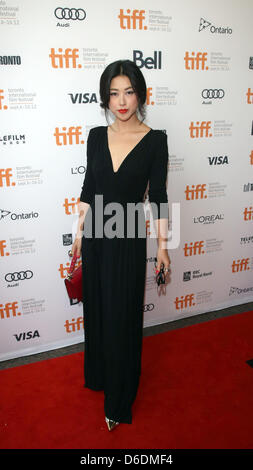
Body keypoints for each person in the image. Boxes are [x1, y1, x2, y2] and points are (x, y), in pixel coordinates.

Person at [71, 59, 171, 431]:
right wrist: (79, 234)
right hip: (96, 231)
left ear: (140, 94)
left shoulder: (155, 140)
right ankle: (99, 376)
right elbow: (87, 190)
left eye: (129, 91)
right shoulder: (96, 136)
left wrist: (163, 246)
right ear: (105, 98)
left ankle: (119, 397)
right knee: (97, 311)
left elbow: (159, 196)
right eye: (114, 93)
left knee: (122, 318)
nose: (122, 100)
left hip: (128, 234)